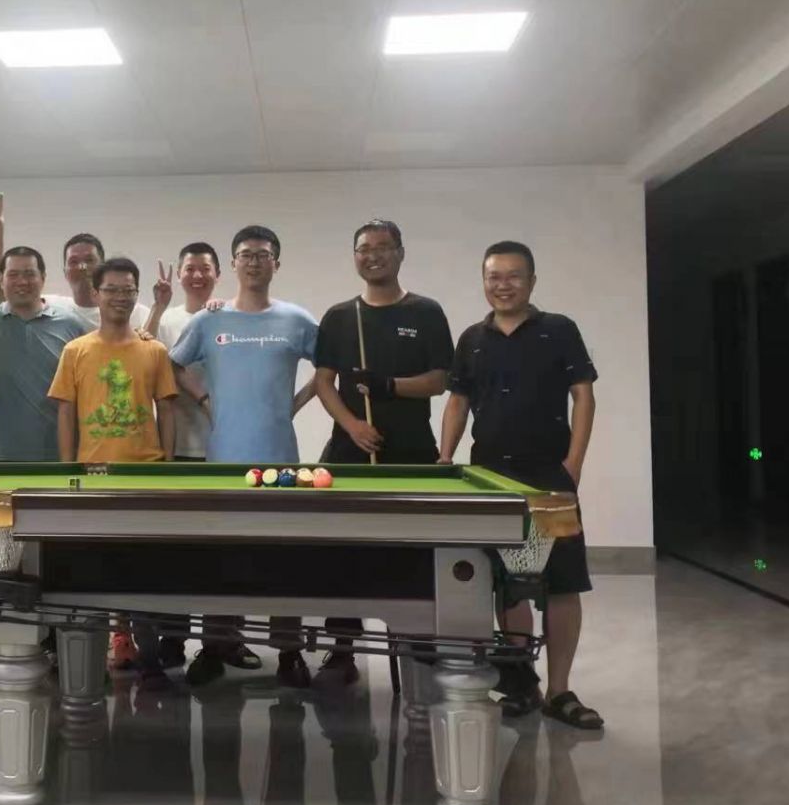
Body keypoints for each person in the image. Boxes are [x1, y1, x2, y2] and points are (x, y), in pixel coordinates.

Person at [439, 241, 601, 730]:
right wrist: (445, 456)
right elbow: (457, 402)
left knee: (562, 583)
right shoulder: (472, 339)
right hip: (491, 480)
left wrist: (573, 464)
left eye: (513, 276)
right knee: (508, 583)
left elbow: (583, 395)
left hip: (549, 481)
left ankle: (560, 690)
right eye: (494, 276)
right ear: (484, 281)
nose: (503, 285)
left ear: (531, 281)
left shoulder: (559, 330)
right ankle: (521, 683)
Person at [167, 226, 319, 689]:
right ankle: (215, 646)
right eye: (246, 255)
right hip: (224, 461)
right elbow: (173, 365)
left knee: (283, 560)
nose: (254, 262)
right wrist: (205, 399)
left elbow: (329, 368)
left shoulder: (296, 319)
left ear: (277, 263)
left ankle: (289, 651)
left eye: (263, 255)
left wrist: (294, 405)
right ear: (233, 264)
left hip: (281, 460)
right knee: (221, 558)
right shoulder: (210, 320)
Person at [310, 218, 454, 684]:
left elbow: (441, 380)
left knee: (412, 547)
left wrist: (389, 386)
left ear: (400, 253)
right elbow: (324, 382)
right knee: (344, 550)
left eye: (382, 247)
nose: (373, 255)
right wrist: (352, 425)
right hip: (349, 451)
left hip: (410, 449)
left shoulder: (426, 312)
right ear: (355, 257)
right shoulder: (339, 316)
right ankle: (342, 647)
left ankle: (417, 638)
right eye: (364, 248)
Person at [47, 257, 179, 682]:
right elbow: (65, 413)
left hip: (146, 476)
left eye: (128, 290)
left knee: (145, 573)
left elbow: (167, 409)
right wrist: (68, 470)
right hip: (95, 475)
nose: (120, 297)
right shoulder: (76, 351)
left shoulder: (153, 350)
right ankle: (95, 660)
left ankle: (151, 658)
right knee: (97, 571)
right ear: (96, 293)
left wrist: (168, 465)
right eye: (112, 290)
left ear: (136, 295)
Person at [0, 195, 88, 462]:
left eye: (30, 274)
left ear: (43, 278)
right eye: (13, 275)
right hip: (3, 457)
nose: (22, 281)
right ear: (1, 280)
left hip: (61, 456)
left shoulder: (71, 324)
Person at [0, 192, 150, 329]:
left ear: (103, 268)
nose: (82, 266)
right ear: (65, 272)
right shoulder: (52, 307)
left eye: (89, 260)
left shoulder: (137, 313)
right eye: (74, 261)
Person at [147, 244, 221, 462]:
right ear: (179, 274)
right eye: (190, 269)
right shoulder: (166, 319)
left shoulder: (227, 317)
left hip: (222, 440)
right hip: (177, 441)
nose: (197, 275)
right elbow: (143, 353)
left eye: (205, 269)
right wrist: (158, 307)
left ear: (217, 274)